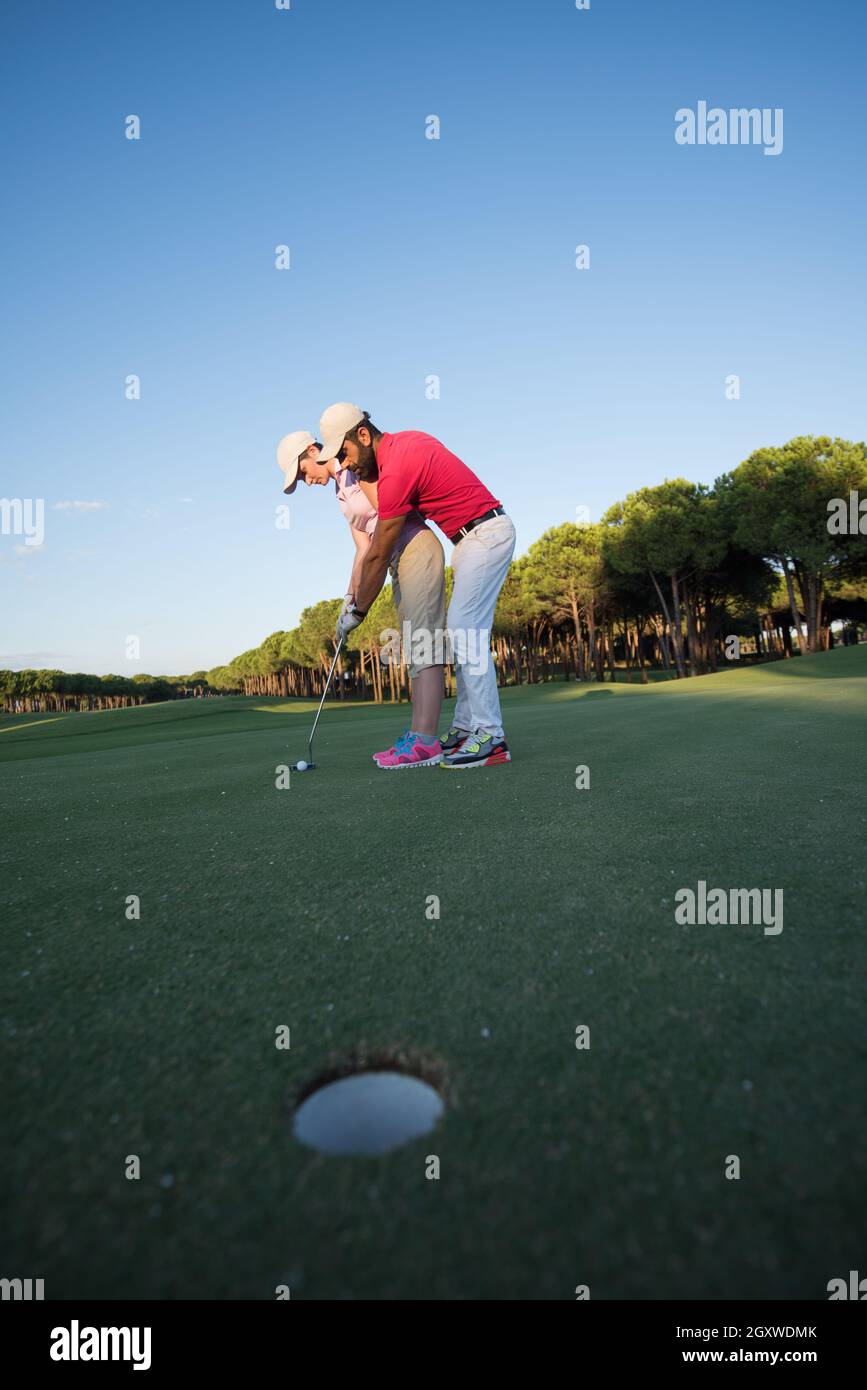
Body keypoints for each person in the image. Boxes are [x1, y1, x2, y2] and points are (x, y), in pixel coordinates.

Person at [318, 404, 516, 769]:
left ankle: (491, 737)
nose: (344, 465)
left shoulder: (396, 471)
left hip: (486, 534)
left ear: (363, 435)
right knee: (463, 630)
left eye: (344, 454)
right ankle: (463, 728)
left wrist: (358, 610)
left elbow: (377, 555)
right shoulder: (406, 441)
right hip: (471, 539)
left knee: (464, 630)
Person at [276, 429, 447, 767]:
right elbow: (362, 549)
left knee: (424, 641)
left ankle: (426, 742)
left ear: (313, 450)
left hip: (415, 547)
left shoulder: (356, 465)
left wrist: (363, 604)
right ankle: (417, 736)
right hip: (395, 559)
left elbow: (388, 517)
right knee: (414, 644)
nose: (306, 481)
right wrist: (349, 598)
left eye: (302, 472)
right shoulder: (341, 492)